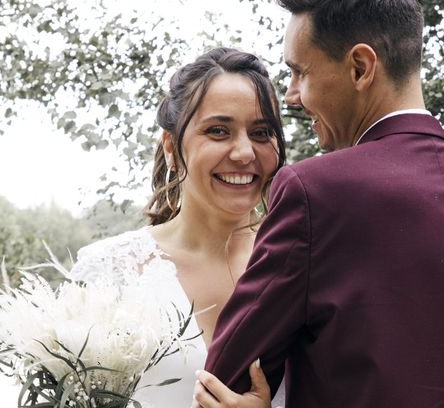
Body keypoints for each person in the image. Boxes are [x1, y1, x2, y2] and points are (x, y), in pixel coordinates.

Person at [194, 0, 444, 407]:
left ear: (360, 67)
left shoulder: (314, 193)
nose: (292, 96)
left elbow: (223, 385)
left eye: (300, 72)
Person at [70, 47, 286, 408]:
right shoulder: (110, 272)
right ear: (171, 147)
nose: (245, 153)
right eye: (218, 131)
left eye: (262, 132)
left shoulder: (307, 262)